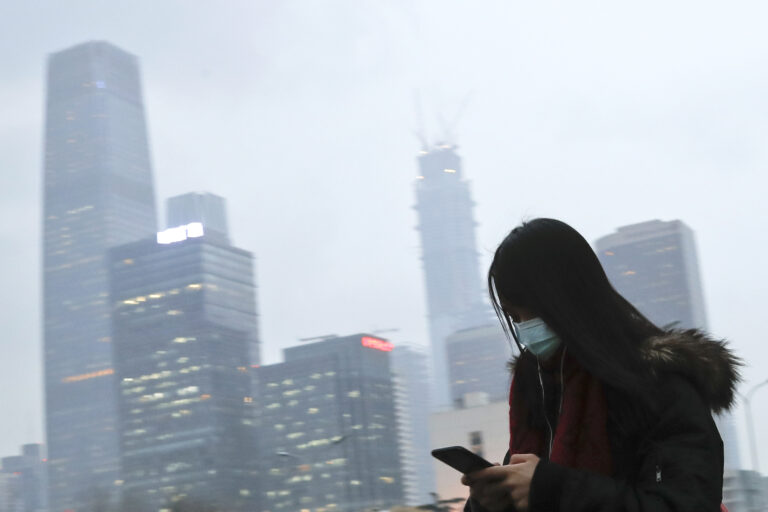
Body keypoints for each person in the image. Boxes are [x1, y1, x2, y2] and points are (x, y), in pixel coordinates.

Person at [461, 218, 739, 512]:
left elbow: (686, 504)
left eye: (525, 313)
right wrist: (492, 503)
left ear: (564, 298)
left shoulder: (660, 389)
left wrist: (551, 489)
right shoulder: (539, 393)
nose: (522, 329)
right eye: (513, 318)